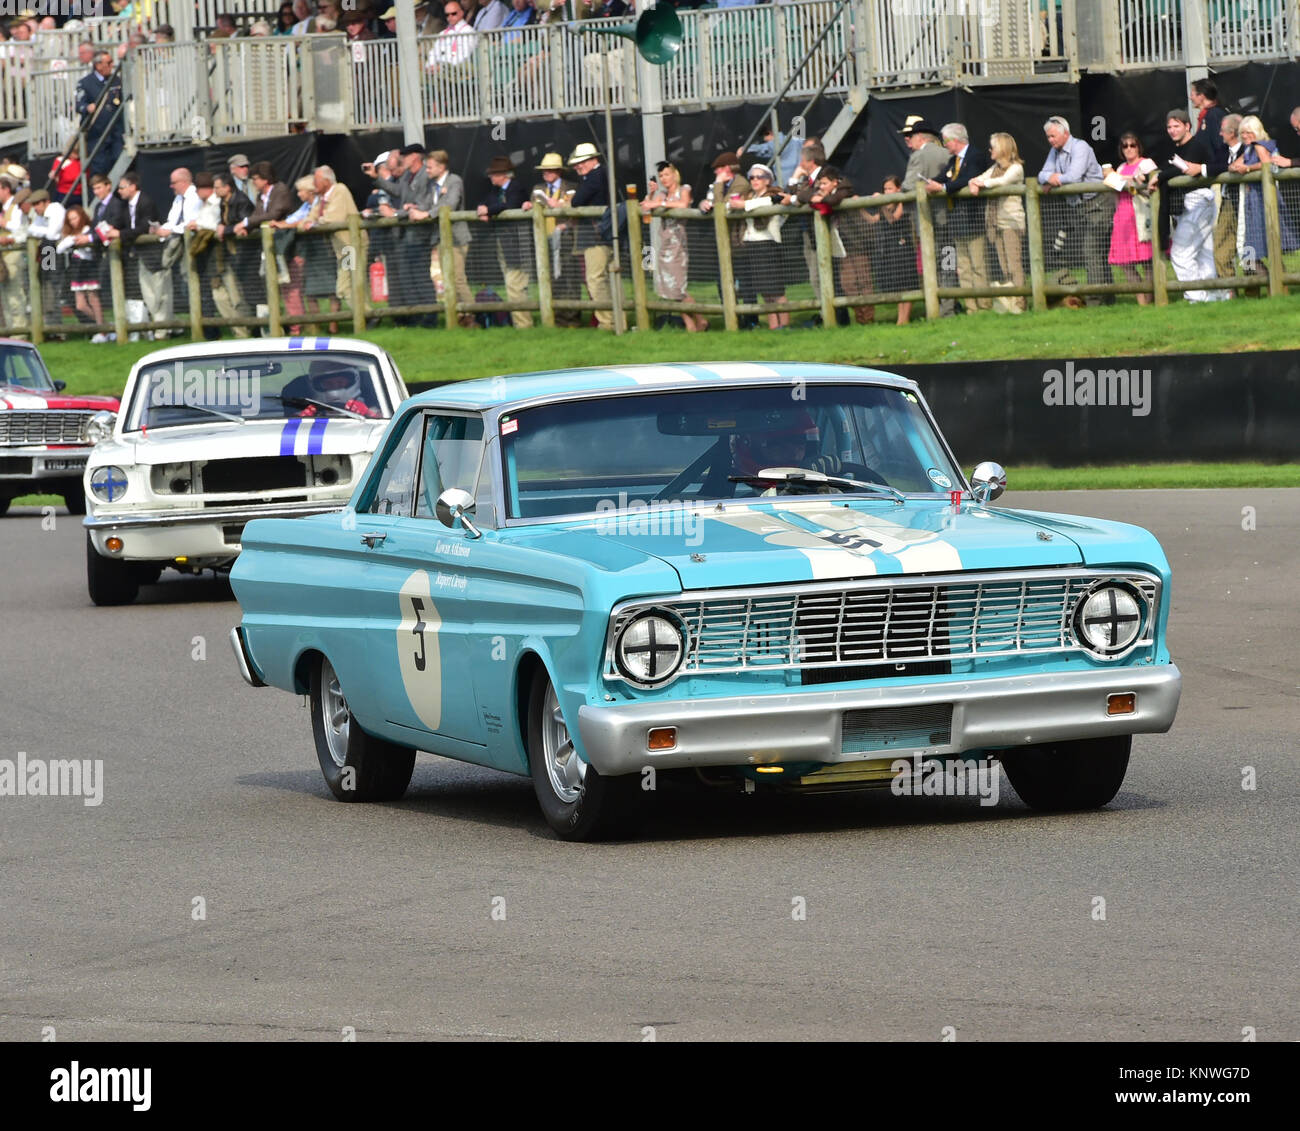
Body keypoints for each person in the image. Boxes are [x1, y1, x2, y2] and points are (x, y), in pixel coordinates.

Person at [1155, 109, 1228, 303]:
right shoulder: (1177, 149)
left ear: (1187, 126)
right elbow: (1170, 167)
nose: (1172, 130)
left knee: (1180, 253)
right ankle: (1214, 296)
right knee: (1204, 253)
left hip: (1198, 202)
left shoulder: (1197, 145)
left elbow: (1184, 169)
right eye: (1169, 127)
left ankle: (1196, 297)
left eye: (1176, 126)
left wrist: (1159, 176)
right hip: (1193, 204)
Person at [1038, 115, 1113, 304]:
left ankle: (1095, 300)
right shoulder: (1054, 151)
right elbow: (1041, 174)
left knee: (1092, 251)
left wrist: (1054, 179)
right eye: (1048, 137)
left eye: (1053, 136)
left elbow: (1074, 176)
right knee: (1097, 253)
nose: (1050, 140)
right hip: (1080, 208)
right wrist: (1049, 178)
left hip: (1098, 203)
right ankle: (1108, 298)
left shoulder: (1081, 147)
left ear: (1065, 133)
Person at [364, 143, 436, 324]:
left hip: (420, 235)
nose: (403, 158)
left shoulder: (425, 175)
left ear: (416, 157)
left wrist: (396, 213)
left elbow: (423, 205)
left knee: (421, 277)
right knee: (407, 277)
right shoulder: (407, 177)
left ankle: (430, 316)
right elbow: (396, 191)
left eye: (406, 155)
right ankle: (414, 317)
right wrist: (376, 178)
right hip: (405, 236)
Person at [925, 123, 990, 312]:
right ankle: (971, 308)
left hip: (973, 219)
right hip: (957, 220)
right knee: (963, 267)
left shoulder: (975, 156)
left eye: (945, 141)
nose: (944, 144)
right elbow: (944, 177)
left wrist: (943, 188)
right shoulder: (953, 160)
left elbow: (967, 178)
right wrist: (931, 183)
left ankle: (984, 306)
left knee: (978, 265)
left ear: (955, 140)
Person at [640, 161, 706, 332]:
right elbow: (646, 208)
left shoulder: (684, 189)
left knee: (678, 288)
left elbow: (683, 204)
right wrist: (651, 194)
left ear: (674, 174)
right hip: (665, 244)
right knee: (671, 289)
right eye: (661, 176)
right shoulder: (662, 194)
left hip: (678, 244)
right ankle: (691, 324)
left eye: (667, 174)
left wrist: (659, 204)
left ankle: (700, 320)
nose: (664, 178)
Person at [1231, 115, 1300, 277]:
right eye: (1242, 133)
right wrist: (1236, 168)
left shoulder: (1259, 146)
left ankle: (1275, 284)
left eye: (1248, 132)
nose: (1245, 136)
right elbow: (1234, 165)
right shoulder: (1249, 148)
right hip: (1252, 201)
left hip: (1262, 200)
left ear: (1256, 131)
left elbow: (1266, 163)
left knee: (1262, 247)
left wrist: (1248, 169)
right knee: (1258, 249)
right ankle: (1273, 283)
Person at [969, 132, 1026, 312]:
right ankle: (1010, 303)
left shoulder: (1016, 168)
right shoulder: (994, 168)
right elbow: (980, 178)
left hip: (1011, 223)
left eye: (992, 147)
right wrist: (974, 182)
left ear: (1002, 148)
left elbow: (1003, 181)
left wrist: (982, 184)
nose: (990, 150)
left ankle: (1020, 303)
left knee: (1014, 265)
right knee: (1004, 266)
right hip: (995, 223)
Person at [809, 166, 872, 324]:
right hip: (841, 247)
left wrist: (821, 198)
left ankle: (868, 319)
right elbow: (803, 195)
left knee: (863, 282)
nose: (821, 187)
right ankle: (860, 318)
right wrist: (817, 196)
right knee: (848, 284)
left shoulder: (845, 189)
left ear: (834, 182)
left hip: (857, 243)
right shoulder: (824, 193)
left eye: (824, 183)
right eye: (820, 184)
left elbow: (834, 200)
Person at [476, 156, 532, 329]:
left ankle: (523, 324)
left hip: (518, 244)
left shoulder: (516, 187)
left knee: (515, 283)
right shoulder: (496, 191)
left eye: (494, 174)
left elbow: (511, 204)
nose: (491, 177)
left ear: (504, 174)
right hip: (505, 244)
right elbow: (487, 202)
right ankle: (519, 322)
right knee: (511, 283)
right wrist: (483, 209)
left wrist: (489, 211)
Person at [730, 163, 788, 329]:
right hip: (751, 244)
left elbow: (771, 202)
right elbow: (733, 204)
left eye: (759, 177)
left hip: (768, 244)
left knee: (776, 290)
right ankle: (773, 326)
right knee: (765, 291)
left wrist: (744, 205)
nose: (755, 180)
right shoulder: (749, 196)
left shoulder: (774, 194)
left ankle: (784, 325)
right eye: (752, 177)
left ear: (768, 180)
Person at [304, 165, 362, 324]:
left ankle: (367, 316)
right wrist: (308, 222)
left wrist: (315, 223)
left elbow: (334, 217)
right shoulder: (322, 198)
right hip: (343, 249)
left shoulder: (340, 190)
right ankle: (367, 315)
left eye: (316, 180)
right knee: (351, 285)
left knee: (345, 286)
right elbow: (311, 216)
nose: (314, 184)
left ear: (326, 180)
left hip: (350, 246)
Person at [114, 172, 167, 340]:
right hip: (137, 255)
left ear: (132, 186)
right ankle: (152, 329)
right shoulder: (125, 206)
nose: (119, 191)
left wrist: (120, 234)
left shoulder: (146, 202)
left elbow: (144, 227)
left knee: (158, 293)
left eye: (122, 187)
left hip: (151, 255)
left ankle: (163, 329)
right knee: (147, 294)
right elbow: (120, 224)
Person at [1105, 132, 1157, 304]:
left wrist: (1124, 180)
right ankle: (1141, 300)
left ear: (1138, 147)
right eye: (1124, 146)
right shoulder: (1120, 168)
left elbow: (1148, 185)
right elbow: (1117, 191)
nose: (1128, 149)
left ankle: (1149, 299)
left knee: (1147, 260)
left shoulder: (1146, 163)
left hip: (1141, 215)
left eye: (1132, 145)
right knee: (1125, 262)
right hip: (1123, 215)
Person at [568, 141, 613, 330]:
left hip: (596, 237)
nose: (578, 166)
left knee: (595, 280)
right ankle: (617, 320)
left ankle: (607, 322)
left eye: (582, 162)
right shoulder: (601, 174)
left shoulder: (594, 177)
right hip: (605, 235)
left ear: (593, 160)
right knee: (608, 279)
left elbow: (576, 201)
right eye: (576, 163)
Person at [864, 174, 918, 325]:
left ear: (898, 189)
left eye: (890, 188)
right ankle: (901, 318)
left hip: (903, 247)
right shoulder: (884, 206)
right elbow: (873, 220)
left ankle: (905, 318)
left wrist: (881, 202)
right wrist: (860, 207)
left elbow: (893, 219)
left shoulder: (902, 202)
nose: (887, 192)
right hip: (888, 248)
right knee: (898, 283)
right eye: (885, 189)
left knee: (907, 282)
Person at [211, 171, 255, 336]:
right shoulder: (224, 202)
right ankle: (240, 330)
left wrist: (225, 230)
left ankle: (247, 329)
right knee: (224, 295)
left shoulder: (241, 201)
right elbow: (226, 223)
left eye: (217, 187)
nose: (215, 191)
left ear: (227, 187)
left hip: (244, 254)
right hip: (228, 254)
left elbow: (243, 224)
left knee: (239, 296)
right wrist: (221, 226)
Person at [75, 50, 124, 176]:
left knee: (118, 161)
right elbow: (79, 105)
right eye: (109, 62)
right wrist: (87, 107)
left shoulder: (116, 81)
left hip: (115, 132)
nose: (112, 65)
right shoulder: (85, 83)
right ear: (98, 65)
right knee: (99, 167)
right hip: (97, 133)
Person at [57, 205, 104, 333]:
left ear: (81, 217)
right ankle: (104, 325)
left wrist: (73, 241)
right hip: (77, 268)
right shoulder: (71, 235)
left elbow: (88, 249)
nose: (73, 222)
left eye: (75, 218)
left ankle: (102, 330)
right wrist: (71, 240)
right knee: (80, 305)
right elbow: (59, 248)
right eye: (70, 220)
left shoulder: (87, 230)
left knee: (93, 298)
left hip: (88, 267)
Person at [0, 178, 29, 334]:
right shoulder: (3, 208)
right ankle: (11, 331)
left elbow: (21, 230)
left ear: (6, 189)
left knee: (15, 293)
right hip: (4, 254)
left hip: (20, 252)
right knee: (5, 295)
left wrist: (4, 223)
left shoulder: (16, 205)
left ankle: (20, 332)